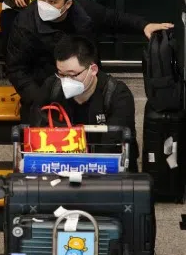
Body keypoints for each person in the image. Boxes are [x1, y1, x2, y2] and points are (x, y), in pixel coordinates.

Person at [7, 0, 172, 116]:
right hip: (46, 90)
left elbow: (114, 18)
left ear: (68, 3)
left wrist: (144, 25)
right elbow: (17, 69)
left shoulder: (84, 12)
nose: (44, 5)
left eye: (52, 1)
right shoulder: (25, 23)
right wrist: (40, 100)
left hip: (87, 85)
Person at [33, 35, 139, 171]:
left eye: (72, 75)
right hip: (61, 169)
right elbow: (36, 130)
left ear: (93, 70)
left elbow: (111, 146)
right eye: (61, 74)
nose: (66, 81)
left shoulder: (117, 94)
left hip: (107, 173)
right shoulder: (51, 88)